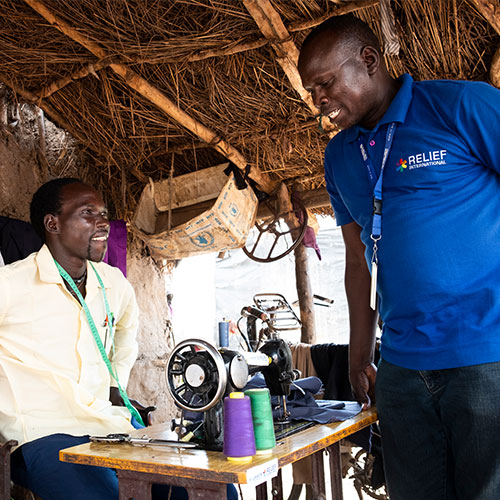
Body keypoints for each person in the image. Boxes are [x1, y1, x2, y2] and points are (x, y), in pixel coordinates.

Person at [298, 14, 500, 500]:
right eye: (312, 91)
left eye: (325, 83)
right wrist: (358, 354)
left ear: (368, 60)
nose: (319, 100)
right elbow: (356, 260)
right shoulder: (339, 156)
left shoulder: (461, 104)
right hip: (402, 370)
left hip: (485, 357)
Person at [0, 178, 237, 499]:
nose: (103, 223)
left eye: (104, 213)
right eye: (88, 213)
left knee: (212, 486)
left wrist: (116, 382)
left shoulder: (111, 282)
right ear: (52, 223)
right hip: (41, 434)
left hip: (110, 427)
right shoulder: (12, 285)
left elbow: (128, 324)